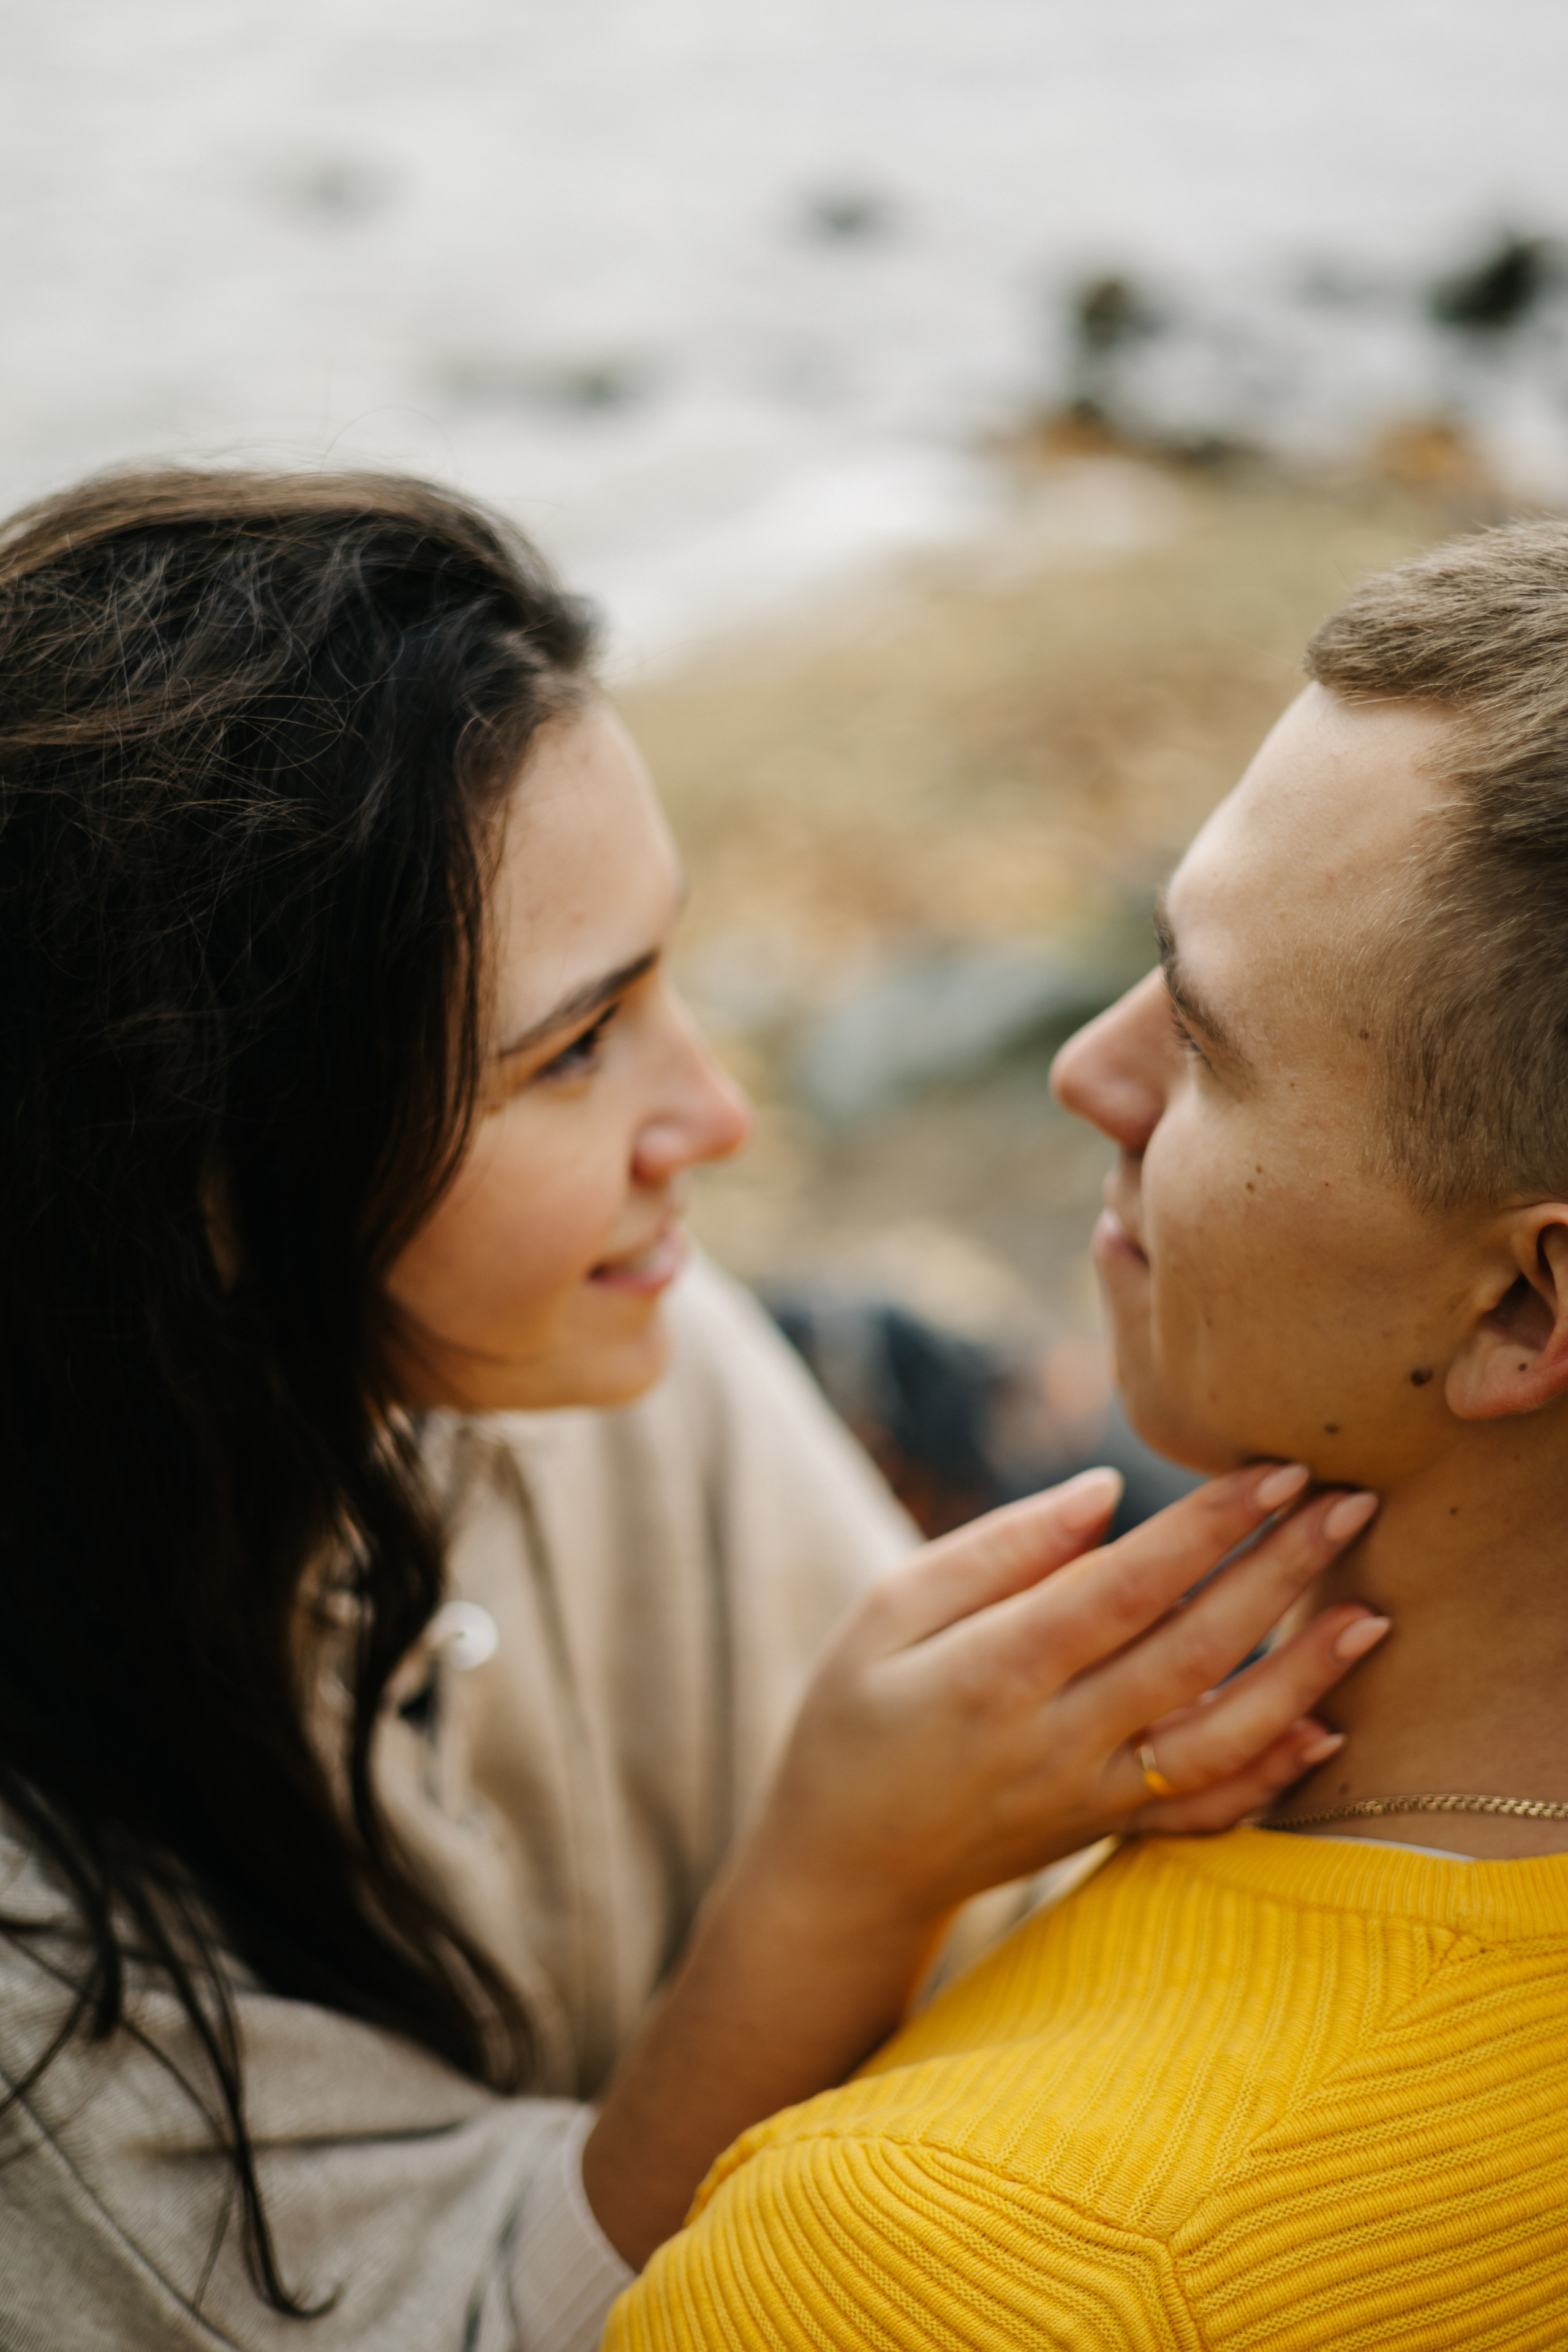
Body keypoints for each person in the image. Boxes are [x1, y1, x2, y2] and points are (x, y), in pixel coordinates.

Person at [0, 469, 1379, 2352]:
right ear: (216, 1188)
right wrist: (842, 1878)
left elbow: (1011, 1913)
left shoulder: (588, 1336)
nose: (718, 1120)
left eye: (668, 981)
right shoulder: (34, 1928)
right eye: (577, 1047)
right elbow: (471, 2327)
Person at [608, 521, 1568, 2352]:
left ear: (1527, 1310)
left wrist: (827, 1899)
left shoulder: (960, 2259)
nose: (1088, 1072)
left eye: (1207, 1046)